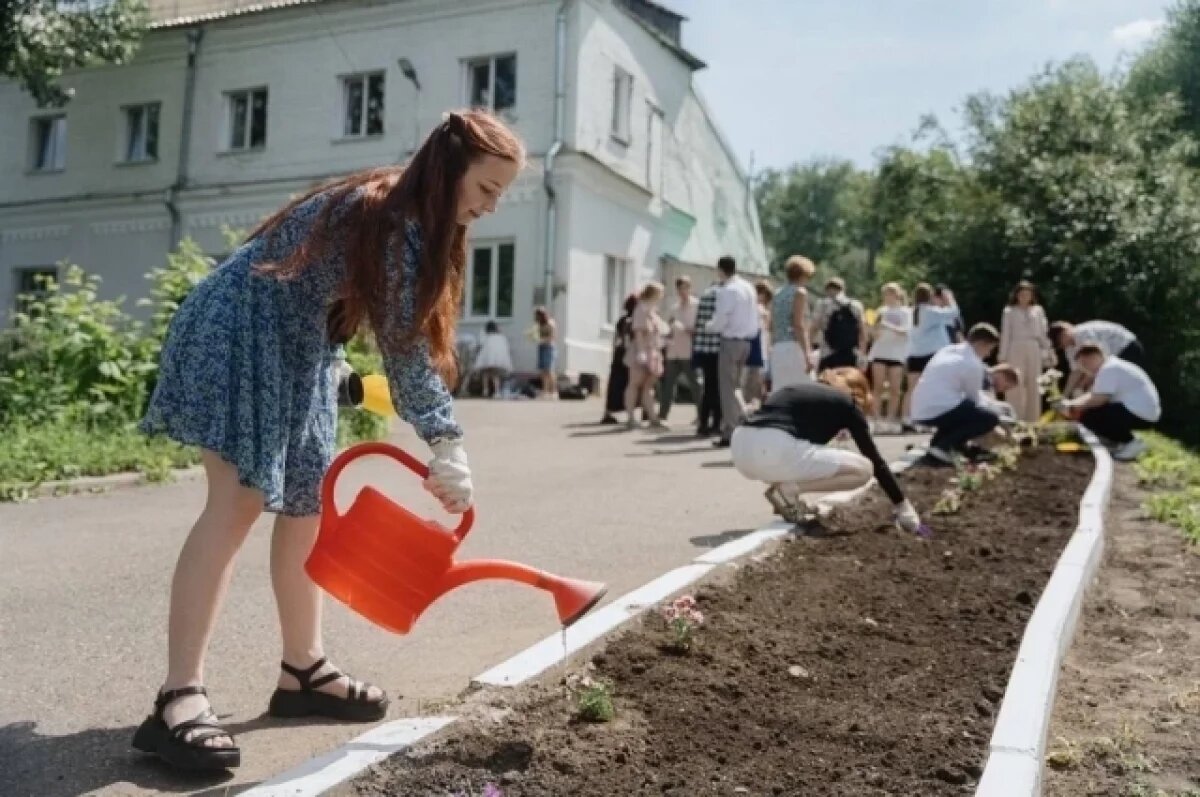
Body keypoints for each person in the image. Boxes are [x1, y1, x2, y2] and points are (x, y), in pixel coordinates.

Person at [134, 110, 524, 772]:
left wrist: (339, 365)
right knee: (237, 503)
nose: (490, 206)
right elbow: (405, 352)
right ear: (450, 169)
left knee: (307, 505)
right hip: (239, 329)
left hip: (301, 346)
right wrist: (445, 441)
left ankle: (303, 669)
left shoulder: (409, 220)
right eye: (487, 187)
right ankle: (178, 696)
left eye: (501, 194)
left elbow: (336, 294)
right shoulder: (390, 217)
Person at [731, 367, 923, 532]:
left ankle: (788, 497)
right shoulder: (848, 404)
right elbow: (874, 460)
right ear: (857, 392)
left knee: (798, 456)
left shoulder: (798, 391)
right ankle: (789, 490)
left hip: (741, 448)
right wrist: (902, 505)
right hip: (773, 450)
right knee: (864, 469)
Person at [911, 323, 1021, 465]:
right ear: (982, 344)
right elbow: (975, 400)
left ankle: (940, 444)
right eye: (989, 349)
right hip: (938, 409)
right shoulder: (972, 364)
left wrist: (996, 405)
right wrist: (1000, 415)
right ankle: (944, 447)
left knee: (963, 411)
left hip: (921, 407)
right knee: (988, 418)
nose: (988, 354)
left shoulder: (948, 350)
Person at [1061, 344, 1160, 461]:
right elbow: (1093, 395)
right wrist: (1070, 403)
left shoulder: (1109, 369)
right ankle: (1120, 442)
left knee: (1091, 416)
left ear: (1094, 356)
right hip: (1140, 412)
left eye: (1085, 364)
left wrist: (1072, 407)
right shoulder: (1110, 366)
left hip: (1140, 414)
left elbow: (1099, 399)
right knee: (1092, 413)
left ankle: (1131, 442)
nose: (1086, 369)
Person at [706, 256, 759, 448]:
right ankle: (739, 422)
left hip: (730, 340)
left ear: (721, 270)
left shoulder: (727, 290)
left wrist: (709, 326)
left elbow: (722, 318)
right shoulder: (748, 287)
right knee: (737, 386)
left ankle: (731, 430)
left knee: (727, 388)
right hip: (747, 340)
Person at [902, 282, 961, 431]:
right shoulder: (931, 312)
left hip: (914, 354)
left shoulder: (911, 312)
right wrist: (949, 298)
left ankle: (906, 418)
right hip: (931, 354)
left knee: (912, 389)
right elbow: (954, 313)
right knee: (933, 387)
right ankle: (930, 419)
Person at [999, 280, 1052, 422]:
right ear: (1016, 295)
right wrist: (1002, 356)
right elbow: (1006, 333)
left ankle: (1033, 420)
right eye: (1022, 294)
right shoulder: (1009, 311)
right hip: (1015, 346)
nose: (1024, 297)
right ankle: (1015, 418)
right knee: (1015, 383)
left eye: (1028, 294)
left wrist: (1049, 351)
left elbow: (1042, 333)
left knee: (1034, 383)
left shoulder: (1038, 310)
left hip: (1033, 346)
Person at [1050, 319, 1144, 398]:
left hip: (1127, 347)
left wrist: (1081, 386)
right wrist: (1064, 396)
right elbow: (1076, 371)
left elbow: (1098, 363)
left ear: (1064, 333)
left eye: (1059, 342)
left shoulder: (1084, 334)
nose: (1061, 347)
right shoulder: (1069, 348)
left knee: (1120, 390)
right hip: (1114, 357)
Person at [867, 282, 911, 433]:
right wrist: (873, 328)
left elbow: (905, 331)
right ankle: (876, 419)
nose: (886, 297)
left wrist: (888, 325)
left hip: (897, 354)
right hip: (880, 353)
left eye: (889, 294)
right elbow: (873, 334)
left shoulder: (905, 312)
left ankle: (890, 419)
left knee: (895, 389)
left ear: (896, 295)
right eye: (885, 294)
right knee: (877, 387)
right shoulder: (880, 311)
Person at [625, 282, 669, 430]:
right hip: (641, 351)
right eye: (660, 293)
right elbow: (638, 332)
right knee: (634, 383)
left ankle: (652, 417)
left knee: (648, 385)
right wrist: (641, 352)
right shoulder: (641, 309)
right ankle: (631, 417)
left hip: (653, 351)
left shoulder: (652, 311)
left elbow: (660, 330)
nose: (661, 296)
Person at [659, 277, 701, 422]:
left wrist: (684, 329)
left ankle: (701, 415)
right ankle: (662, 415)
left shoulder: (697, 306)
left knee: (695, 384)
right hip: (674, 351)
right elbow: (668, 328)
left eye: (686, 288)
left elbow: (699, 329)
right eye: (681, 288)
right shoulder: (674, 308)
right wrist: (667, 334)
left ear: (690, 288)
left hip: (689, 351)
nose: (683, 291)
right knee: (668, 384)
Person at [769, 255, 815, 390]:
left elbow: (772, 324)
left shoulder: (777, 293)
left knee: (781, 390)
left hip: (778, 346)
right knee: (804, 389)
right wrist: (807, 353)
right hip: (794, 346)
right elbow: (798, 324)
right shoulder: (799, 292)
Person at [811, 277, 866, 371]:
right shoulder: (856, 305)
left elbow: (814, 327)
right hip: (851, 353)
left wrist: (808, 348)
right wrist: (862, 354)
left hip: (828, 352)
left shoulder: (823, 304)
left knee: (826, 379)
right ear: (843, 289)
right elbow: (862, 331)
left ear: (827, 289)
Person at [691, 282, 723, 437]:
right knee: (719, 388)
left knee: (708, 387)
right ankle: (716, 423)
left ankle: (703, 423)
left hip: (703, 347)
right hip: (718, 347)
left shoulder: (704, 296)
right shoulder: (723, 296)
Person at [601, 294, 639, 424]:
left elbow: (616, 338)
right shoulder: (633, 321)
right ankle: (634, 412)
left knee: (615, 384)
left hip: (619, 353)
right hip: (629, 353)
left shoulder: (622, 320)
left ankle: (608, 412)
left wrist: (614, 353)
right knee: (632, 383)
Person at [743, 280, 774, 406]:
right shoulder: (758, 310)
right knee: (753, 383)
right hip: (756, 350)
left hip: (761, 350)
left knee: (756, 383)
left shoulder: (761, 310)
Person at [533, 306, 558, 399]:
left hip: (549, 347)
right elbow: (537, 335)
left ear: (542, 315)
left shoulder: (550, 323)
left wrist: (543, 340)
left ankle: (554, 392)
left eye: (538, 315)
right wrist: (535, 337)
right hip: (542, 347)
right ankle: (545, 391)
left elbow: (553, 336)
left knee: (550, 370)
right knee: (543, 371)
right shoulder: (539, 324)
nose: (537, 317)